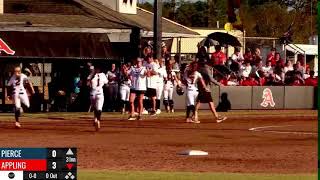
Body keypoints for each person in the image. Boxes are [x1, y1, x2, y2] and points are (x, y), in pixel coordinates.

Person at [87, 66, 108, 131]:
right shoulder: (103, 75)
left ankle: (95, 119)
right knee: (99, 109)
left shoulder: (91, 75)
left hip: (92, 93)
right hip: (100, 93)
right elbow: (106, 83)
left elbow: (87, 84)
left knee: (94, 107)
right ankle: (98, 120)